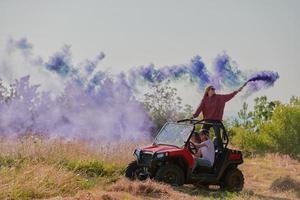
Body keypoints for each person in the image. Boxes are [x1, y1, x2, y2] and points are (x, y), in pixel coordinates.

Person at [192, 84, 246, 149]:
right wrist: (194, 116)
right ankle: (199, 149)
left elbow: (229, 96)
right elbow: (199, 108)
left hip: (216, 120)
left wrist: (237, 91)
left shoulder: (219, 97)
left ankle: (220, 150)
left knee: (218, 135)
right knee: (201, 133)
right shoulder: (204, 99)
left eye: (214, 89)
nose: (214, 90)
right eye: (212, 89)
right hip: (207, 120)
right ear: (208, 90)